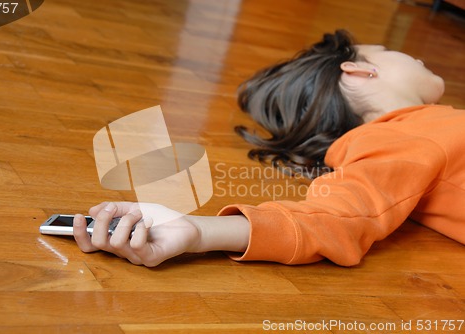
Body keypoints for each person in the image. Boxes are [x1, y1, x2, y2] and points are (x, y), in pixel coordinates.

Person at [73, 30, 464, 267]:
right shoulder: (397, 139)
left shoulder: (421, 134)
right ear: (359, 69)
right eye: (389, 49)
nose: (414, 55)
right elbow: (336, 217)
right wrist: (199, 230)